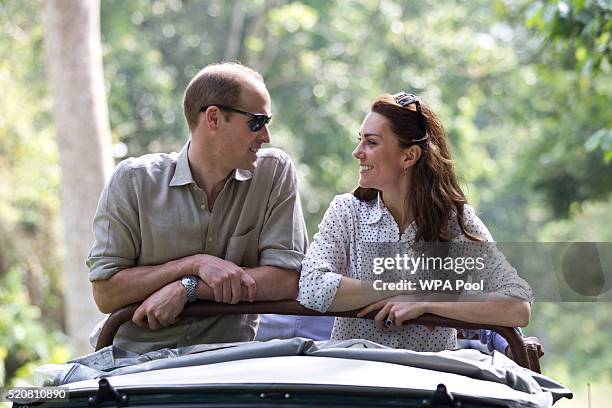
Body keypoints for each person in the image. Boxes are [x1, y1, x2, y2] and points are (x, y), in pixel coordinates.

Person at [87, 62, 308, 354]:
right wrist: (194, 264)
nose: (265, 136)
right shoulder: (133, 180)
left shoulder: (274, 174)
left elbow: (288, 280)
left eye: (268, 122)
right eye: (256, 121)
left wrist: (188, 288)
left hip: (226, 364)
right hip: (134, 364)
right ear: (214, 118)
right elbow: (106, 293)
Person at [298, 92, 533, 352]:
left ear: (409, 156)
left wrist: (427, 301)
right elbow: (311, 286)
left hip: (428, 385)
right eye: (360, 141)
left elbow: (518, 306)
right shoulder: (346, 212)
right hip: (355, 380)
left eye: (371, 143)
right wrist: (401, 288)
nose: (357, 152)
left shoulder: (456, 222)